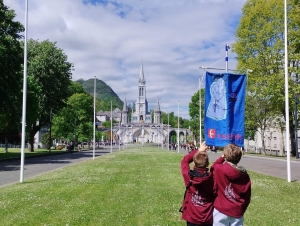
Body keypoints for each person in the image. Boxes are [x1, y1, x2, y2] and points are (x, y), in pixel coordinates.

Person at [211, 143, 251, 226]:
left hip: (221, 209)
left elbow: (213, 167)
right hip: (237, 211)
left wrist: (221, 158)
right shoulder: (244, 176)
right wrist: (242, 208)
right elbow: (247, 197)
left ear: (225, 156)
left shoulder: (219, 169)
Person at [180, 142, 217, 226]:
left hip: (192, 216)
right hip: (207, 216)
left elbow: (184, 161)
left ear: (194, 162)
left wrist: (198, 151)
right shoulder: (212, 178)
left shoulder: (189, 176)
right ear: (207, 164)